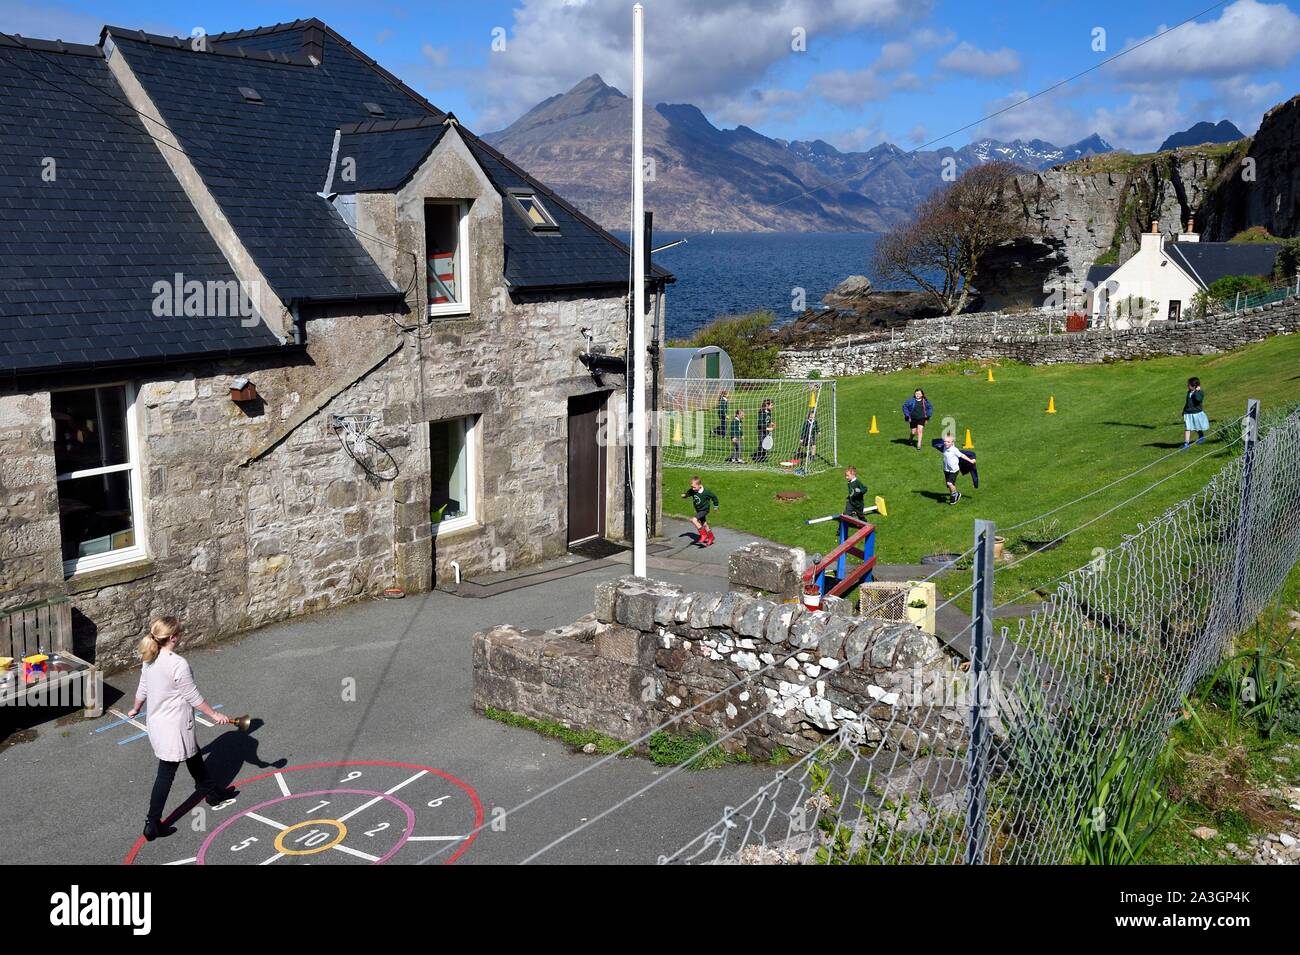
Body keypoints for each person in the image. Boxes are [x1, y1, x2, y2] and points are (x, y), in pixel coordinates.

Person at [127, 617, 235, 841]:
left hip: (158, 724)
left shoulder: (150, 658)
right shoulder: (178, 663)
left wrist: (135, 708)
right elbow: (192, 696)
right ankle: (152, 822)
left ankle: (211, 792)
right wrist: (215, 714)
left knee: (193, 754)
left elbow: (143, 687)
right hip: (175, 726)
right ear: (174, 637)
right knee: (166, 773)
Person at [937, 433, 975, 505]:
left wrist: (970, 461)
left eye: (948, 442)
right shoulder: (944, 447)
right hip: (946, 470)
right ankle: (956, 494)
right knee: (949, 485)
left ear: (952, 442)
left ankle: (954, 495)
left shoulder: (954, 450)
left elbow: (962, 455)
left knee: (949, 483)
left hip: (954, 470)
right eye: (945, 441)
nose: (946, 443)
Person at [682, 476, 719, 546]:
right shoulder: (693, 490)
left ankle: (704, 535)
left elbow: (714, 497)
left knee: (694, 520)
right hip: (699, 510)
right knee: (704, 524)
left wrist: (715, 506)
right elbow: (689, 493)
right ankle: (711, 537)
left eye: (694, 487)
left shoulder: (706, 492)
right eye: (692, 487)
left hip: (704, 510)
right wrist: (685, 495)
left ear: (699, 485)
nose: (693, 489)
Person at [1183, 377, 1208, 448]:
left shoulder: (1200, 392)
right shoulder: (1189, 392)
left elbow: (1198, 399)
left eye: (1189, 385)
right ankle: (1186, 443)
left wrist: (1196, 391)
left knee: (1197, 427)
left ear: (1194, 386)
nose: (1187, 386)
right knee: (1187, 428)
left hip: (1196, 413)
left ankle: (1201, 436)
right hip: (1188, 413)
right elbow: (1187, 403)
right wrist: (1184, 410)